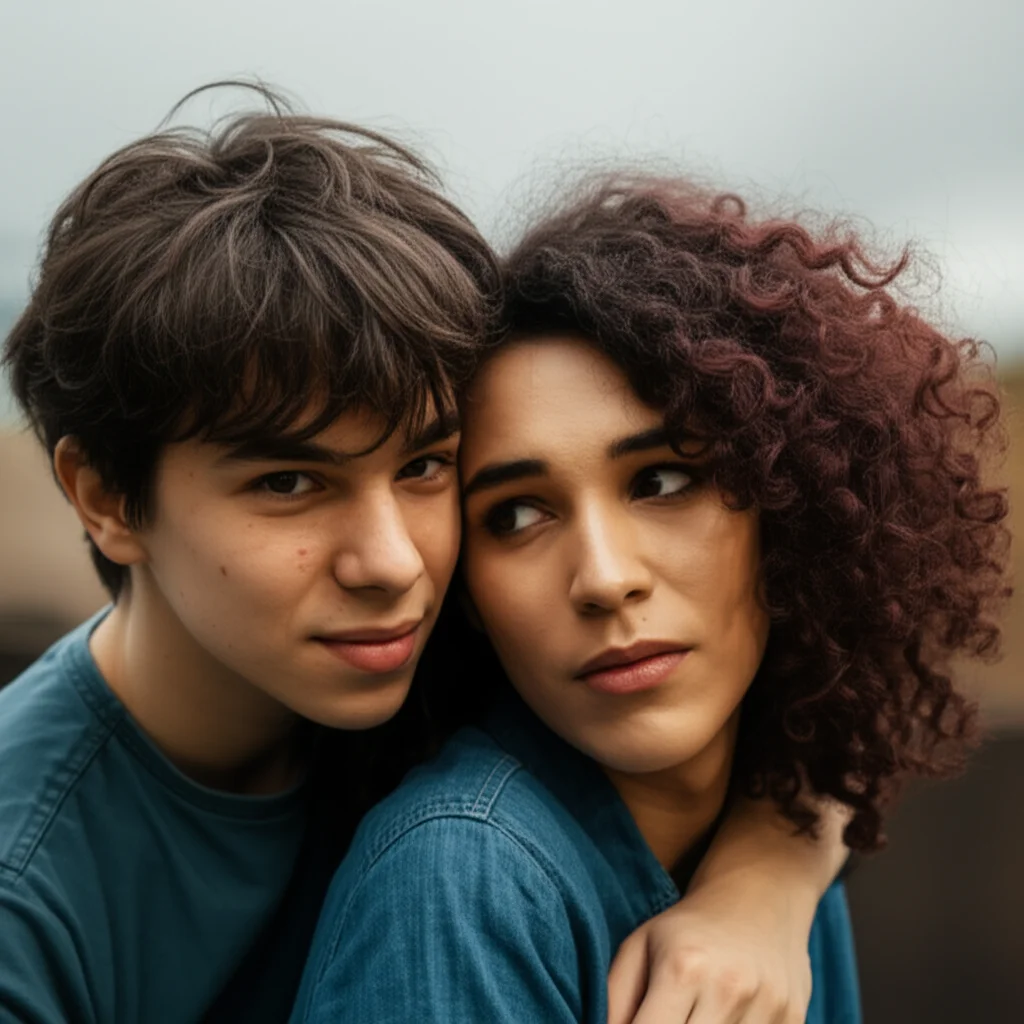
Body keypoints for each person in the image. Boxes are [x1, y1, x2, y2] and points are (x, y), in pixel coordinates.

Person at [0, 92, 857, 1023]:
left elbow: (792, 720)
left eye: (423, 466)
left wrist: (763, 883)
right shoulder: (26, 892)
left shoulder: (413, 652)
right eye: (290, 483)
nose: (393, 562)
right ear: (104, 498)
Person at [293, 177, 1011, 1023]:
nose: (603, 578)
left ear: (787, 507)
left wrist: (770, 885)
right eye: (516, 514)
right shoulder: (459, 878)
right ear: (468, 592)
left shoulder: (779, 804)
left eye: (662, 481)